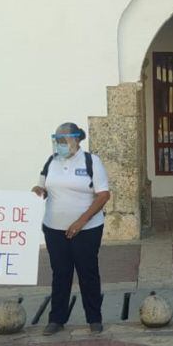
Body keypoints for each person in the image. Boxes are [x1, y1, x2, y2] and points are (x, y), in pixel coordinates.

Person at [32, 123, 111, 334]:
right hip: (54, 228)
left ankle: (94, 318)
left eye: (63, 141)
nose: (60, 145)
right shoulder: (51, 162)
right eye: (56, 141)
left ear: (76, 140)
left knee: (88, 272)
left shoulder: (91, 161)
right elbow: (43, 187)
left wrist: (81, 221)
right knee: (60, 273)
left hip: (86, 230)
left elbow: (103, 195)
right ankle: (57, 319)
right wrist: (38, 191)